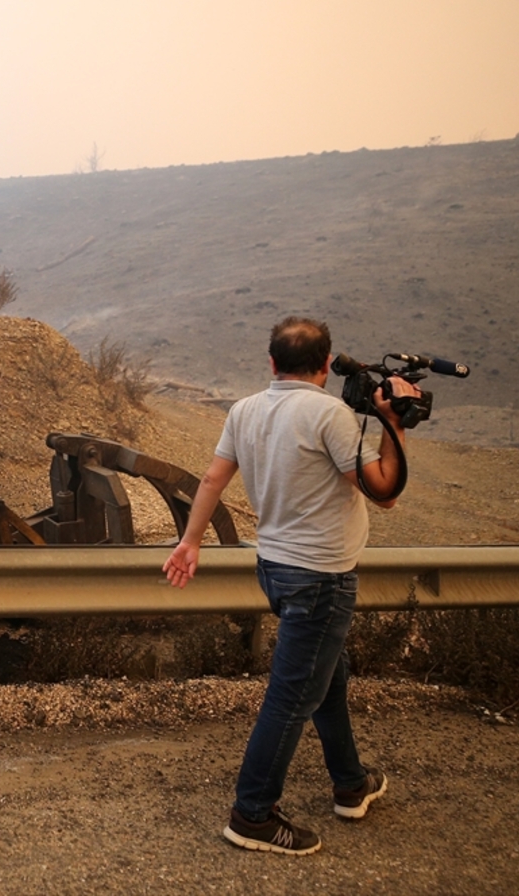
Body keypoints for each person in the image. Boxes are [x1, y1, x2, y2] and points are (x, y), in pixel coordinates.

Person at [163, 316, 420, 856]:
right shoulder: (329, 413)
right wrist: (392, 423)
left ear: (273, 363)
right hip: (321, 576)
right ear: (326, 366)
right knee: (291, 696)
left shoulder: (246, 409)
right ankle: (252, 814)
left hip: (275, 567)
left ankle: (351, 783)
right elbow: (385, 492)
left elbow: (212, 480)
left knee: (326, 678)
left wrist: (190, 542)